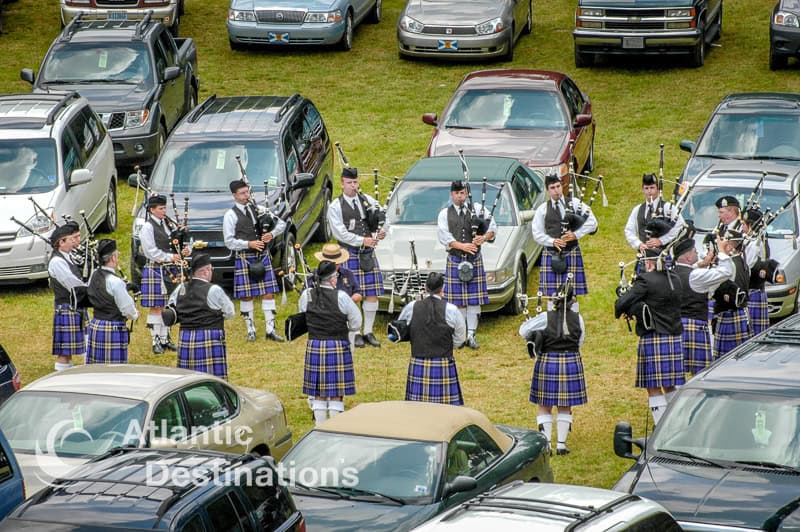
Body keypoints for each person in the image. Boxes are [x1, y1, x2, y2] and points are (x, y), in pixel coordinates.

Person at [615, 248, 685, 425]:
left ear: (648, 262)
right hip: (674, 336)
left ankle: (659, 426)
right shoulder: (675, 278)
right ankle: (676, 423)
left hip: (654, 337)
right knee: (670, 385)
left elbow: (623, 302)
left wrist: (624, 305)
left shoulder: (645, 280)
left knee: (653, 386)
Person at [519, 279, 587, 455]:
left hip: (548, 361)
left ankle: (547, 444)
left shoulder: (545, 317)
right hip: (571, 360)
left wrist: (538, 335)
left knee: (544, 405)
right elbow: (580, 342)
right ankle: (562, 445)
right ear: (573, 301)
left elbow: (523, 331)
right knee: (565, 405)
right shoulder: (578, 318)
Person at [327, 167, 387, 348]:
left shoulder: (367, 200)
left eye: (355, 182)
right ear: (342, 183)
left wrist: (383, 231)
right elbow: (341, 233)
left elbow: (384, 217)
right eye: (349, 183)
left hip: (367, 254)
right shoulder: (335, 206)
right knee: (351, 295)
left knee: (371, 293)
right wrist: (363, 240)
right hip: (348, 254)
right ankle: (355, 332)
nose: (353, 186)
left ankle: (368, 331)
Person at [299, 260, 362, 425]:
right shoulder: (341, 296)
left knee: (318, 391)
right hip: (337, 345)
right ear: (333, 279)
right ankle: (335, 429)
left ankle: (319, 428)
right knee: (336, 392)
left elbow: (303, 315)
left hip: (315, 345)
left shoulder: (307, 295)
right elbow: (356, 323)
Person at [223, 179, 286, 342]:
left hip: (262, 256)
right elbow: (228, 241)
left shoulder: (259, 209)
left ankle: (270, 330)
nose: (246, 196)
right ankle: (250, 330)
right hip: (245, 257)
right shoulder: (230, 216)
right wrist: (248, 243)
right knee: (246, 295)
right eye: (242, 193)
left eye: (247, 192)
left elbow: (282, 224)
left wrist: (271, 234)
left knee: (268, 293)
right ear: (234, 196)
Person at [436, 180, 496, 349]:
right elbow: (444, 237)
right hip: (456, 258)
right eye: (457, 194)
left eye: (463, 193)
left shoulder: (477, 209)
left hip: (474, 260)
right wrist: (462, 245)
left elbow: (492, 227)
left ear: (467, 194)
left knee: (473, 300)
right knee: (459, 301)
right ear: (451, 194)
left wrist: (484, 237)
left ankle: (471, 335)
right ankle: (461, 335)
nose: (460, 197)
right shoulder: (444, 214)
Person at [396, 272, 467, 405]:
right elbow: (460, 338)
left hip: (418, 362)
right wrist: (450, 347)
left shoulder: (412, 306)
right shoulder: (452, 310)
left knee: (417, 409)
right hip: (444, 363)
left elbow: (400, 328)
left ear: (425, 287)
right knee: (447, 410)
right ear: (443, 288)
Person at [168, 253, 236, 379]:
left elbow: (170, 310)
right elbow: (230, 312)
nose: (211, 272)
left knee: (188, 380)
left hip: (185, 338)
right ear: (205, 272)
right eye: (211, 269)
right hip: (209, 337)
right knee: (212, 380)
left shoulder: (180, 289)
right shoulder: (214, 290)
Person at [532, 174, 597, 303]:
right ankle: (554, 321)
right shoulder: (542, 209)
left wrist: (575, 234)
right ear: (548, 190)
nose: (556, 190)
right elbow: (536, 233)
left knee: (571, 296)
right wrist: (552, 241)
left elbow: (593, 222)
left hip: (571, 251)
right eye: (552, 187)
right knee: (552, 296)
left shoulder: (575, 203)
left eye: (558, 186)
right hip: (551, 254)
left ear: (562, 186)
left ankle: (571, 321)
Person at [139, 194, 189, 354]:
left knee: (167, 304)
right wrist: (170, 257)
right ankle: (156, 341)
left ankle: (165, 338)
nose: (163, 211)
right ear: (151, 209)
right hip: (155, 268)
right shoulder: (147, 227)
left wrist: (184, 248)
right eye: (160, 209)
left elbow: (174, 243)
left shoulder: (167, 223)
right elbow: (150, 251)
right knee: (156, 306)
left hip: (170, 268)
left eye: (164, 208)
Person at [86, 239, 138, 364]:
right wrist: (135, 314)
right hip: (112, 328)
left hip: (96, 324)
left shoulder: (94, 275)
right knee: (115, 372)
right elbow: (126, 308)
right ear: (113, 258)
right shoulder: (115, 282)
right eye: (117, 254)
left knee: (96, 369)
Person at [672, 237, 715, 375]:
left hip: (675, 326)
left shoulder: (670, 275)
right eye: (694, 251)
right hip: (696, 327)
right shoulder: (697, 276)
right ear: (688, 256)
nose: (697, 253)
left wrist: (702, 264)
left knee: (676, 372)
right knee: (701, 374)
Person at [47, 221, 86, 371]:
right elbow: (72, 284)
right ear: (61, 242)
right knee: (65, 351)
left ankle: (67, 374)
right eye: (71, 239)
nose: (75, 242)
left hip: (74, 305)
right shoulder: (57, 261)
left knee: (68, 350)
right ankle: (60, 378)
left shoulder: (67, 256)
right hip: (66, 307)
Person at [708, 228, 751, 358]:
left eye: (727, 243)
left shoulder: (730, 263)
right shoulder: (742, 261)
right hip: (738, 312)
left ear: (733, 245)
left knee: (727, 358)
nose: (725, 245)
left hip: (729, 314)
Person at [311, 243, 362, 345]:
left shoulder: (348, 274)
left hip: (345, 314)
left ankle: (356, 334)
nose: (335, 266)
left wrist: (346, 302)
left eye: (337, 263)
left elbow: (358, 294)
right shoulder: (315, 275)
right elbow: (308, 297)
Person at [624, 173, 684, 257]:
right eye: (646, 188)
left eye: (652, 188)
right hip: (644, 256)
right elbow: (629, 230)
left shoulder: (668, 207)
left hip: (663, 255)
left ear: (658, 189)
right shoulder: (637, 209)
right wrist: (639, 244)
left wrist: (661, 241)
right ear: (643, 190)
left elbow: (680, 227)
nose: (649, 191)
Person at [741, 207, 770, 335]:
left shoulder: (757, 244)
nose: (741, 227)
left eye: (743, 224)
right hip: (751, 293)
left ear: (751, 225)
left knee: (754, 335)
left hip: (754, 292)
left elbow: (747, 266)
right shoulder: (751, 241)